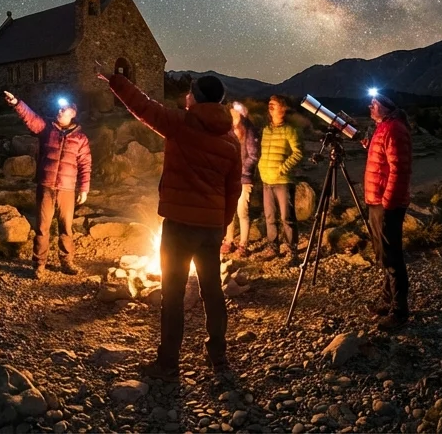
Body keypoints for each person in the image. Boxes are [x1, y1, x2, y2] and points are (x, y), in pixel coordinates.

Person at [98, 65, 241, 381]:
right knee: (212, 291)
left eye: (190, 92)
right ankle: (218, 356)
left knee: (173, 294)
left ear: (197, 98)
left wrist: (116, 81)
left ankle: (168, 363)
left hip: (179, 225)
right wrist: (222, 222)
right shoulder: (231, 140)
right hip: (210, 228)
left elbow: (144, 107)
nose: (186, 96)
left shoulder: (181, 124)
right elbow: (234, 188)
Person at [2, 90, 92, 277]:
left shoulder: (81, 139)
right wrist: (17, 102)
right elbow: (31, 118)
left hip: (67, 189)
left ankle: (67, 261)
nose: (59, 111)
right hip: (46, 186)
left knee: (66, 228)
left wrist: (84, 188)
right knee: (42, 228)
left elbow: (85, 164)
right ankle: (39, 264)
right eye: (59, 109)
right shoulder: (47, 130)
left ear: (72, 114)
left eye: (64, 110)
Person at [362, 92, 412, 330]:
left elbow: (399, 169)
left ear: (386, 106)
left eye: (374, 103)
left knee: (392, 256)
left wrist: (388, 202)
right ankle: (387, 299)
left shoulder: (394, 129)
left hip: (386, 203)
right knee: (383, 253)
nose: (370, 106)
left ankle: (399, 309)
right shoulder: (383, 128)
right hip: (377, 200)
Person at [255, 96, 304, 263]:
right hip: (266, 179)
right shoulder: (266, 130)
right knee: (269, 217)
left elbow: (298, 152)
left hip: (283, 181)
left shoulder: (290, 130)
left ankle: (293, 252)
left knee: (287, 218)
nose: (270, 105)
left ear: (282, 108)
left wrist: (283, 168)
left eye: (274, 104)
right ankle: (273, 247)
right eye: (269, 103)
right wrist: (261, 167)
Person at [222, 101, 261, 258]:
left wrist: (242, 170)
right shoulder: (229, 129)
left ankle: (243, 244)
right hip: (229, 177)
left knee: (242, 211)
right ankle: (228, 240)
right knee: (229, 211)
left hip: (243, 179)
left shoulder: (249, 131)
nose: (232, 114)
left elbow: (253, 155)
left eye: (235, 112)